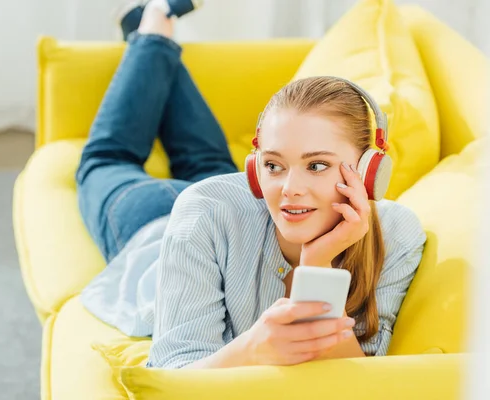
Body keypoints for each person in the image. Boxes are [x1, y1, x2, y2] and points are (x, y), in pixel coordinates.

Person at [76, 0, 426, 369]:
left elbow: (366, 376)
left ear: (369, 171)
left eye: (317, 165)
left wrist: (317, 266)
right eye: (273, 164)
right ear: (256, 167)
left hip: (224, 209)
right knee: (107, 158)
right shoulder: (205, 208)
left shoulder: (398, 234)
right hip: (155, 222)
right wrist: (251, 350)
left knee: (205, 163)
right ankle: (152, 25)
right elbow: (174, 373)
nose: (289, 187)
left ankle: (150, 30)